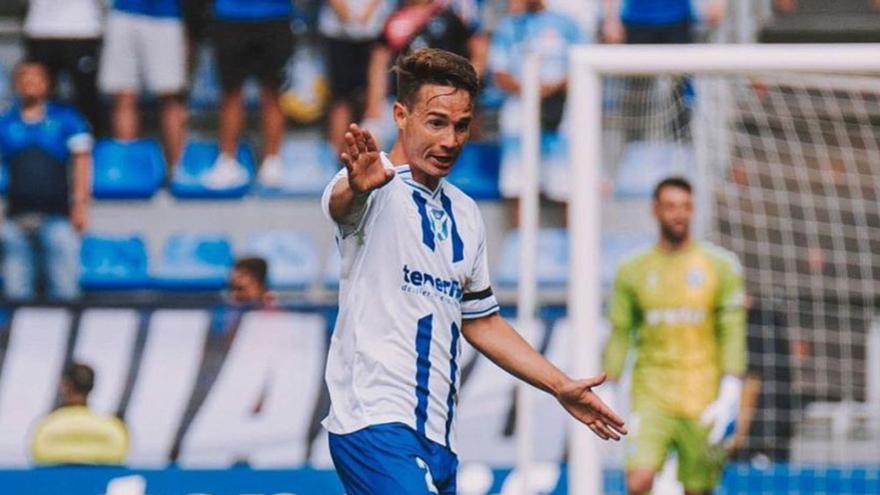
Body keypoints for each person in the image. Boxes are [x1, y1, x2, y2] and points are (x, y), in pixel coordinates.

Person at [322, 48, 626, 494]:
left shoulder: (465, 215)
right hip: (375, 422)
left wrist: (559, 385)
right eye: (436, 122)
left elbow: (481, 321)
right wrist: (356, 185)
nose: (450, 141)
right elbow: (341, 204)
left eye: (461, 126)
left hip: (439, 438)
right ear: (401, 115)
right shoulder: (372, 188)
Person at [603, 177, 746, 495]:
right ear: (655, 211)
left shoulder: (720, 266)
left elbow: (732, 330)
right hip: (652, 392)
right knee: (638, 481)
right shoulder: (633, 269)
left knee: (698, 489)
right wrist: (609, 385)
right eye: (670, 206)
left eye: (685, 207)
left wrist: (731, 387)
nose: (678, 214)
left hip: (702, 395)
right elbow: (620, 331)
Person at [0, 62, 92, 302]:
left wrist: (80, 205)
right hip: (15, 219)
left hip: (58, 217)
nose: (30, 83)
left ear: (47, 84)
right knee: (16, 293)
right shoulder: (6, 124)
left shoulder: (67, 120)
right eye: (24, 78)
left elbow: (82, 163)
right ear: (16, 85)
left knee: (64, 291)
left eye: (36, 78)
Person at [488, 0, 582, 226]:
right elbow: (499, 74)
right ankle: (518, 246)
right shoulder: (508, 27)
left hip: (560, 111)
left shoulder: (566, 24)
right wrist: (530, 89)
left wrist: (553, 87)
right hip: (520, 110)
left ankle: (571, 249)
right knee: (517, 183)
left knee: (566, 184)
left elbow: (582, 65)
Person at [362, 0, 487, 148]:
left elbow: (480, 51)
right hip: (401, 99)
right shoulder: (394, 15)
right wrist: (374, 104)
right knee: (367, 138)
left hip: (447, 98)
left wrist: (464, 90)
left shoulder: (455, 10)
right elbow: (379, 60)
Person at [204, 0, 296, 188]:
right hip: (229, 16)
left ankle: (272, 162)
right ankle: (228, 161)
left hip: (274, 15)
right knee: (230, 93)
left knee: (272, 93)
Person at [99, 0, 187, 169]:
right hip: (123, 12)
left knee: (171, 95)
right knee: (124, 94)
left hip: (165, 15)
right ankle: (126, 170)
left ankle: (177, 171)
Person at [318, 0, 394, 153]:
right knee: (340, 98)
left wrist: (367, 13)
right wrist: (346, 14)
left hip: (375, 30)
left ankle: (367, 153)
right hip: (338, 32)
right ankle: (338, 156)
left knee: (373, 96)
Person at [23, 0, 105, 134]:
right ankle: (38, 145)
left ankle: (87, 143)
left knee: (86, 94)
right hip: (40, 29)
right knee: (37, 93)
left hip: (83, 29)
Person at [31, 362, 129, 465]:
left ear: (65, 385)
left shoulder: (46, 429)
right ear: (92, 386)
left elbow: (40, 459)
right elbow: (118, 460)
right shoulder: (114, 430)